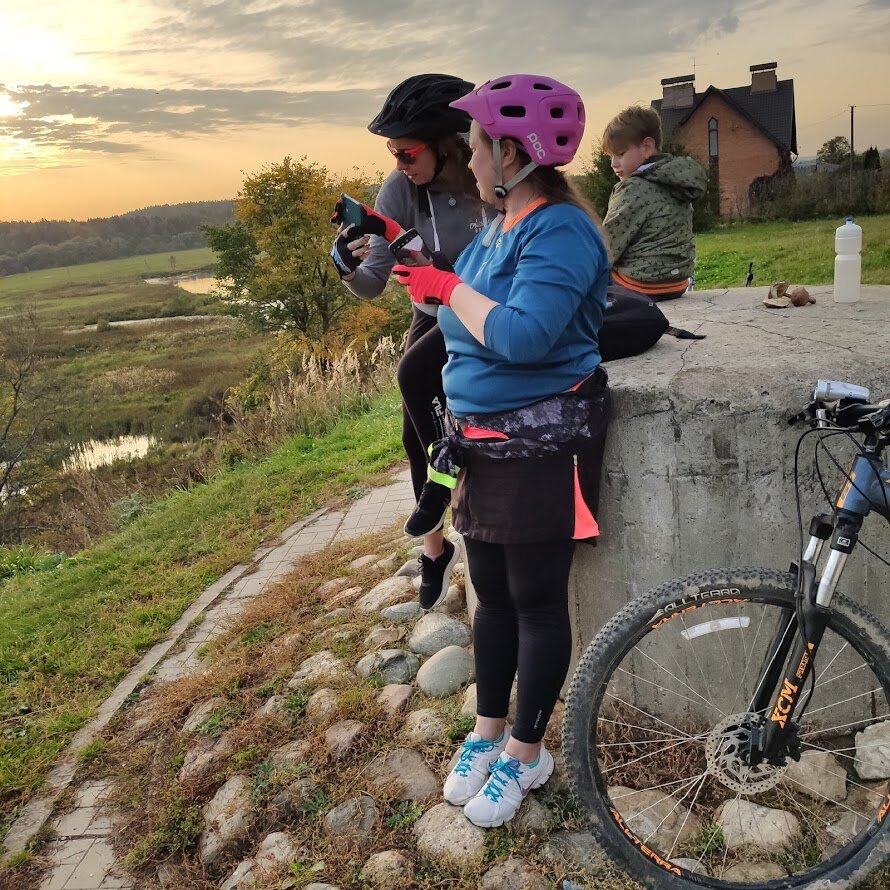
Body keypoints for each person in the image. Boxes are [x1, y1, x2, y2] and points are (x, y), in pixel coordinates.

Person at [392, 74, 611, 828]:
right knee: (489, 593)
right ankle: (488, 733)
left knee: (538, 601)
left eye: (478, 147)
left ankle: (527, 750)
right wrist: (426, 277)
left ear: (514, 152)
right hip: (482, 444)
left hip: (542, 441)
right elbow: (467, 319)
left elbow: (521, 334)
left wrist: (448, 291)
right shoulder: (500, 224)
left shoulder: (561, 230)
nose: (470, 161)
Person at [330, 74, 492, 610]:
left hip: (486, 314)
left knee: (442, 405)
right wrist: (348, 269)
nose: (398, 162)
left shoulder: (487, 180)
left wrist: (445, 269)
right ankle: (436, 546)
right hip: (431, 317)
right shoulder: (398, 190)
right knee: (413, 434)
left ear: (449, 144)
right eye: (391, 152)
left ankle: (465, 517)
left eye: (407, 151)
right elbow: (376, 280)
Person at [601, 105, 708, 301]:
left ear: (647, 147)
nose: (613, 163)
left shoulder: (632, 188)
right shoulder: (678, 181)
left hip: (640, 284)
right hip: (677, 283)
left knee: (583, 279)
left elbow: (607, 246)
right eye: (611, 156)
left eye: (620, 154)